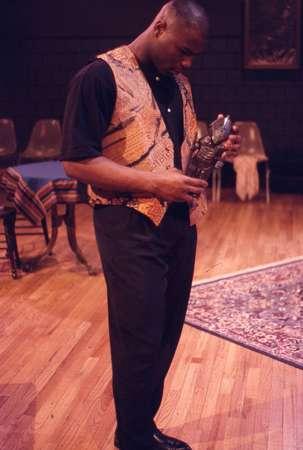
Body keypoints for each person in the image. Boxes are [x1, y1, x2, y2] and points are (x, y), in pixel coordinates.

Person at [61, 1, 240, 449]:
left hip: (179, 222)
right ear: (159, 25)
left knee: (165, 329)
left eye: (193, 56)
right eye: (183, 51)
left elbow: (173, 151)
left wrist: (215, 149)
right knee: (138, 334)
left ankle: (141, 427)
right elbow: (75, 162)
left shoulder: (178, 81)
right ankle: (135, 437)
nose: (187, 63)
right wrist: (152, 183)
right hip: (128, 221)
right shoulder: (98, 77)